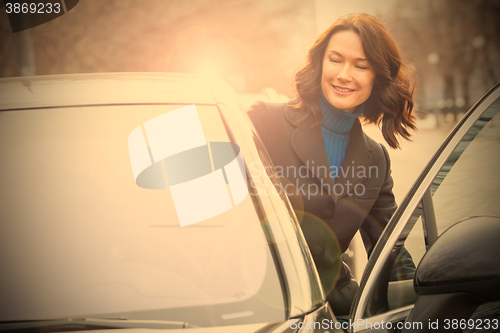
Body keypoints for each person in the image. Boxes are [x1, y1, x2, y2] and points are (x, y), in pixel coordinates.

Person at [247, 13, 417, 315]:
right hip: (259, 305)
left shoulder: (376, 158)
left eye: (360, 65)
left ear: (377, 76)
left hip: (335, 310)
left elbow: (390, 250)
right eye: (335, 60)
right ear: (319, 63)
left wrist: (424, 298)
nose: (344, 74)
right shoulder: (263, 122)